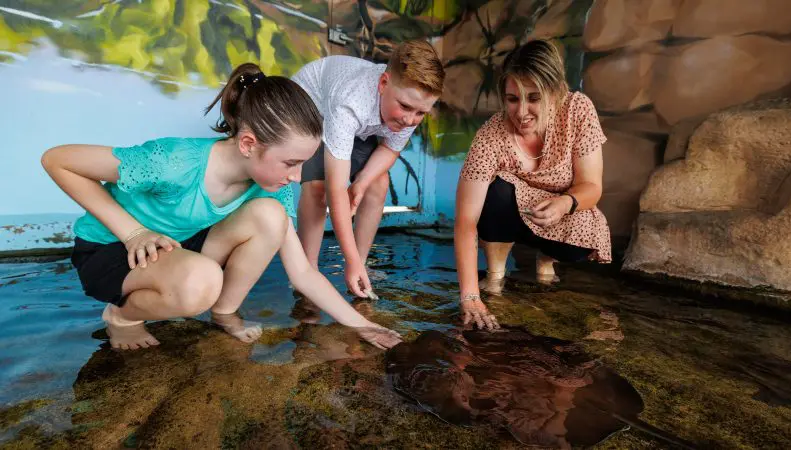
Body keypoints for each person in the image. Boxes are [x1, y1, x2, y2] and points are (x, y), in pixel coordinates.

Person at [41, 63, 402, 351]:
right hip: (112, 249)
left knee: (270, 217)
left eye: (302, 166)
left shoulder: (269, 189)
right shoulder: (173, 161)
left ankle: (224, 312)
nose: (295, 178)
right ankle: (121, 316)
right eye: (290, 163)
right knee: (202, 282)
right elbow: (57, 160)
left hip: (173, 246)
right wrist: (134, 232)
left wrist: (363, 325)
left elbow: (303, 273)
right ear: (248, 143)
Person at [454, 40, 611, 330]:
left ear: (555, 92)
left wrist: (566, 203)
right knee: (498, 189)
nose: (522, 112)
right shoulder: (492, 135)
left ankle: (547, 259)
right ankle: (496, 271)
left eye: (534, 98)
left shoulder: (578, 110)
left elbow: (591, 186)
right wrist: (470, 295)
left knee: (583, 234)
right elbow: (466, 220)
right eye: (513, 99)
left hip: (559, 210)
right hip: (510, 212)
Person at [291, 39, 444, 298]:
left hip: (360, 120)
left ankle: (360, 266)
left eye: (420, 114)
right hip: (307, 108)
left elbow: (390, 149)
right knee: (318, 188)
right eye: (405, 107)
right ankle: (307, 271)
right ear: (383, 84)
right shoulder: (350, 103)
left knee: (378, 182)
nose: (410, 120)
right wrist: (345, 257)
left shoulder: (411, 106)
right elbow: (336, 189)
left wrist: (360, 183)